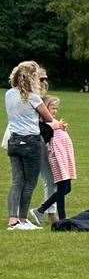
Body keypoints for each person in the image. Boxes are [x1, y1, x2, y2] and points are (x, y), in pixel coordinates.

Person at [6, 61, 60, 231]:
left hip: (13, 141)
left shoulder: (8, 94)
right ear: (31, 78)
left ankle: (12, 220)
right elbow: (48, 117)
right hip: (31, 142)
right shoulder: (33, 97)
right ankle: (22, 219)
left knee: (17, 182)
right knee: (29, 183)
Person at [32, 95, 75, 227]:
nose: (55, 111)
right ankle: (62, 219)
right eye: (52, 108)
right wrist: (56, 126)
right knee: (63, 187)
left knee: (66, 188)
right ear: (44, 108)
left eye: (56, 108)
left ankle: (40, 210)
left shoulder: (53, 122)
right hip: (57, 158)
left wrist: (60, 127)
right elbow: (45, 133)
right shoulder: (44, 123)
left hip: (64, 158)